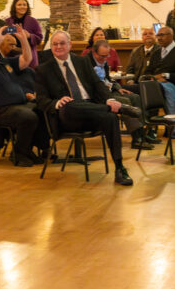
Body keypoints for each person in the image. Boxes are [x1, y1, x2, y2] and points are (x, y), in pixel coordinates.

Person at [34, 31, 135, 185]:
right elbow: (40, 100)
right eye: (55, 44)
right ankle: (121, 109)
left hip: (92, 112)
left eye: (62, 43)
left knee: (111, 117)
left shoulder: (82, 62)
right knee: (69, 105)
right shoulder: (43, 69)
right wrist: (56, 103)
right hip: (68, 117)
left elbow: (97, 85)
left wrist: (110, 100)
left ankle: (120, 168)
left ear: (70, 45)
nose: (58, 47)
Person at [0, 30, 44, 167]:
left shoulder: (4, 63)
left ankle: (29, 149)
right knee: (28, 117)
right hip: (0, 111)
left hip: (19, 105)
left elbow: (26, 59)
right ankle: (18, 153)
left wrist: (23, 39)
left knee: (42, 110)